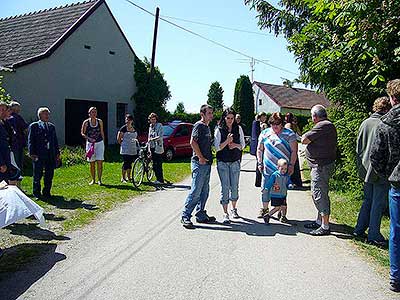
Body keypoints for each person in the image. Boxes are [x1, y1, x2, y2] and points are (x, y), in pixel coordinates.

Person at [370, 79, 400, 293]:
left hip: (397, 183)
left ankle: (396, 277)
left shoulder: (385, 124)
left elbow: (376, 157)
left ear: (392, 98)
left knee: (396, 231)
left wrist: (389, 175)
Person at [354, 97, 391, 246]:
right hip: (379, 170)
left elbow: (359, 147)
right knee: (378, 203)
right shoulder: (384, 124)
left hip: (365, 168)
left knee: (368, 200)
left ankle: (359, 229)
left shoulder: (365, 123)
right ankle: (374, 234)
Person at [301, 105, 337, 236]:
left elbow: (304, 139)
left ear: (315, 116)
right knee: (319, 192)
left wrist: (305, 134)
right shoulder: (325, 125)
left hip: (320, 167)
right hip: (320, 165)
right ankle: (319, 221)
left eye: (311, 116)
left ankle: (325, 226)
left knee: (319, 194)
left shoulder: (323, 125)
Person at [256, 112, 298, 219]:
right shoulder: (265, 133)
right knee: (265, 189)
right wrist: (259, 162)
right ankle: (265, 209)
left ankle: (282, 212)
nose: (275, 126)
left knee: (282, 191)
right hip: (267, 168)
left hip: (282, 170)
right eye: (273, 123)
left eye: (278, 123)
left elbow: (294, 151)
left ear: (282, 123)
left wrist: (291, 165)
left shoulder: (290, 134)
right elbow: (260, 149)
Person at [181, 104, 216, 228]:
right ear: (202, 114)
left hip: (206, 164)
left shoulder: (207, 127)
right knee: (196, 191)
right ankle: (185, 216)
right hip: (199, 163)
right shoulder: (199, 125)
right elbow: (192, 142)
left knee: (204, 191)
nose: (211, 115)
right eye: (209, 113)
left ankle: (200, 214)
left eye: (212, 113)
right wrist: (200, 157)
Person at [214, 108, 246, 223]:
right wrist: (227, 142)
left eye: (232, 118)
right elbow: (217, 148)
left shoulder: (239, 128)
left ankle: (234, 208)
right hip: (222, 161)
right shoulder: (219, 129)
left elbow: (242, 145)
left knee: (235, 187)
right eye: (228, 118)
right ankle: (225, 213)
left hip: (235, 161)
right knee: (225, 187)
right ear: (224, 117)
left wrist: (235, 145)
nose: (230, 120)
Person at [28, 107, 60, 199]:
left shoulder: (51, 126)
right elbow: (31, 140)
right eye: (45, 114)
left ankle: (47, 192)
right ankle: (36, 193)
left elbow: (55, 141)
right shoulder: (34, 126)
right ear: (40, 115)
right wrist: (32, 153)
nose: (47, 115)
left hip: (50, 154)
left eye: (48, 114)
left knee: (49, 174)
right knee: (37, 174)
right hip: (38, 154)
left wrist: (57, 153)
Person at [263, 158, 292, 224]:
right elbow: (270, 183)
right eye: (282, 169)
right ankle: (268, 215)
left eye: (285, 169)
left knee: (284, 206)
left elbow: (288, 182)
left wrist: (290, 185)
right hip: (275, 194)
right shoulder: (275, 175)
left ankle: (283, 216)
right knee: (277, 207)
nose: (284, 171)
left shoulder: (286, 176)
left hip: (283, 194)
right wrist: (266, 188)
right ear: (278, 167)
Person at [81, 107, 105, 185]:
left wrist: (103, 142)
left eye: (95, 112)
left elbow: (102, 132)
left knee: (100, 162)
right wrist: (89, 138)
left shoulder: (100, 121)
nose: (94, 114)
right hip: (90, 144)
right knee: (92, 163)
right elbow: (82, 133)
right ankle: (93, 179)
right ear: (89, 114)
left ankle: (100, 180)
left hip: (99, 143)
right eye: (92, 112)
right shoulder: (86, 122)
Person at [117, 114, 138, 183]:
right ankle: (123, 177)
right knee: (126, 163)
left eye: (129, 120)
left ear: (132, 121)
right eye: (126, 120)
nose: (127, 121)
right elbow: (119, 138)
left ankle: (129, 177)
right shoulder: (123, 128)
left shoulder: (134, 128)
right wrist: (122, 144)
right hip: (125, 149)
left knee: (130, 163)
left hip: (132, 149)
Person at [8, 101, 28, 171]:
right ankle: (17, 179)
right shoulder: (17, 117)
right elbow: (26, 129)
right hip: (18, 143)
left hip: (10, 144)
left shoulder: (7, 118)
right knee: (18, 163)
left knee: (12, 163)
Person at [284, 112, 303, 187]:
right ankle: (297, 181)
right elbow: (300, 134)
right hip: (294, 144)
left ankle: (289, 181)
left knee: (289, 163)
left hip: (288, 146)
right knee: (295, 162)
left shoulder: (287, 125)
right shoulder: (295, 125)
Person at [251, 112, 267, 188]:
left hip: (255, 146)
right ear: (262, 117)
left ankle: (257, 182)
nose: (266, 119)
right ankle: (261, 181)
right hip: (262, 146)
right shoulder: (263, 125)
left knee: (258, 163)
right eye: (265, 117)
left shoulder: (255, 123)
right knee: (261, 163)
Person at [147, 112, 164, 184]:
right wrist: (148, 144)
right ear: (150, 120)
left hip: (158, 147)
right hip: (152, 147)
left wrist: (153, 139)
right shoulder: (150, 126)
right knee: (154, 164)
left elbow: (160, 136)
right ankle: (158, 178)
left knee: (158, 164)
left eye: (154, 119)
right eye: (152, 119)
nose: (153, 121)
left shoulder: (159, 125)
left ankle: (160, 180)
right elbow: (149, 137)